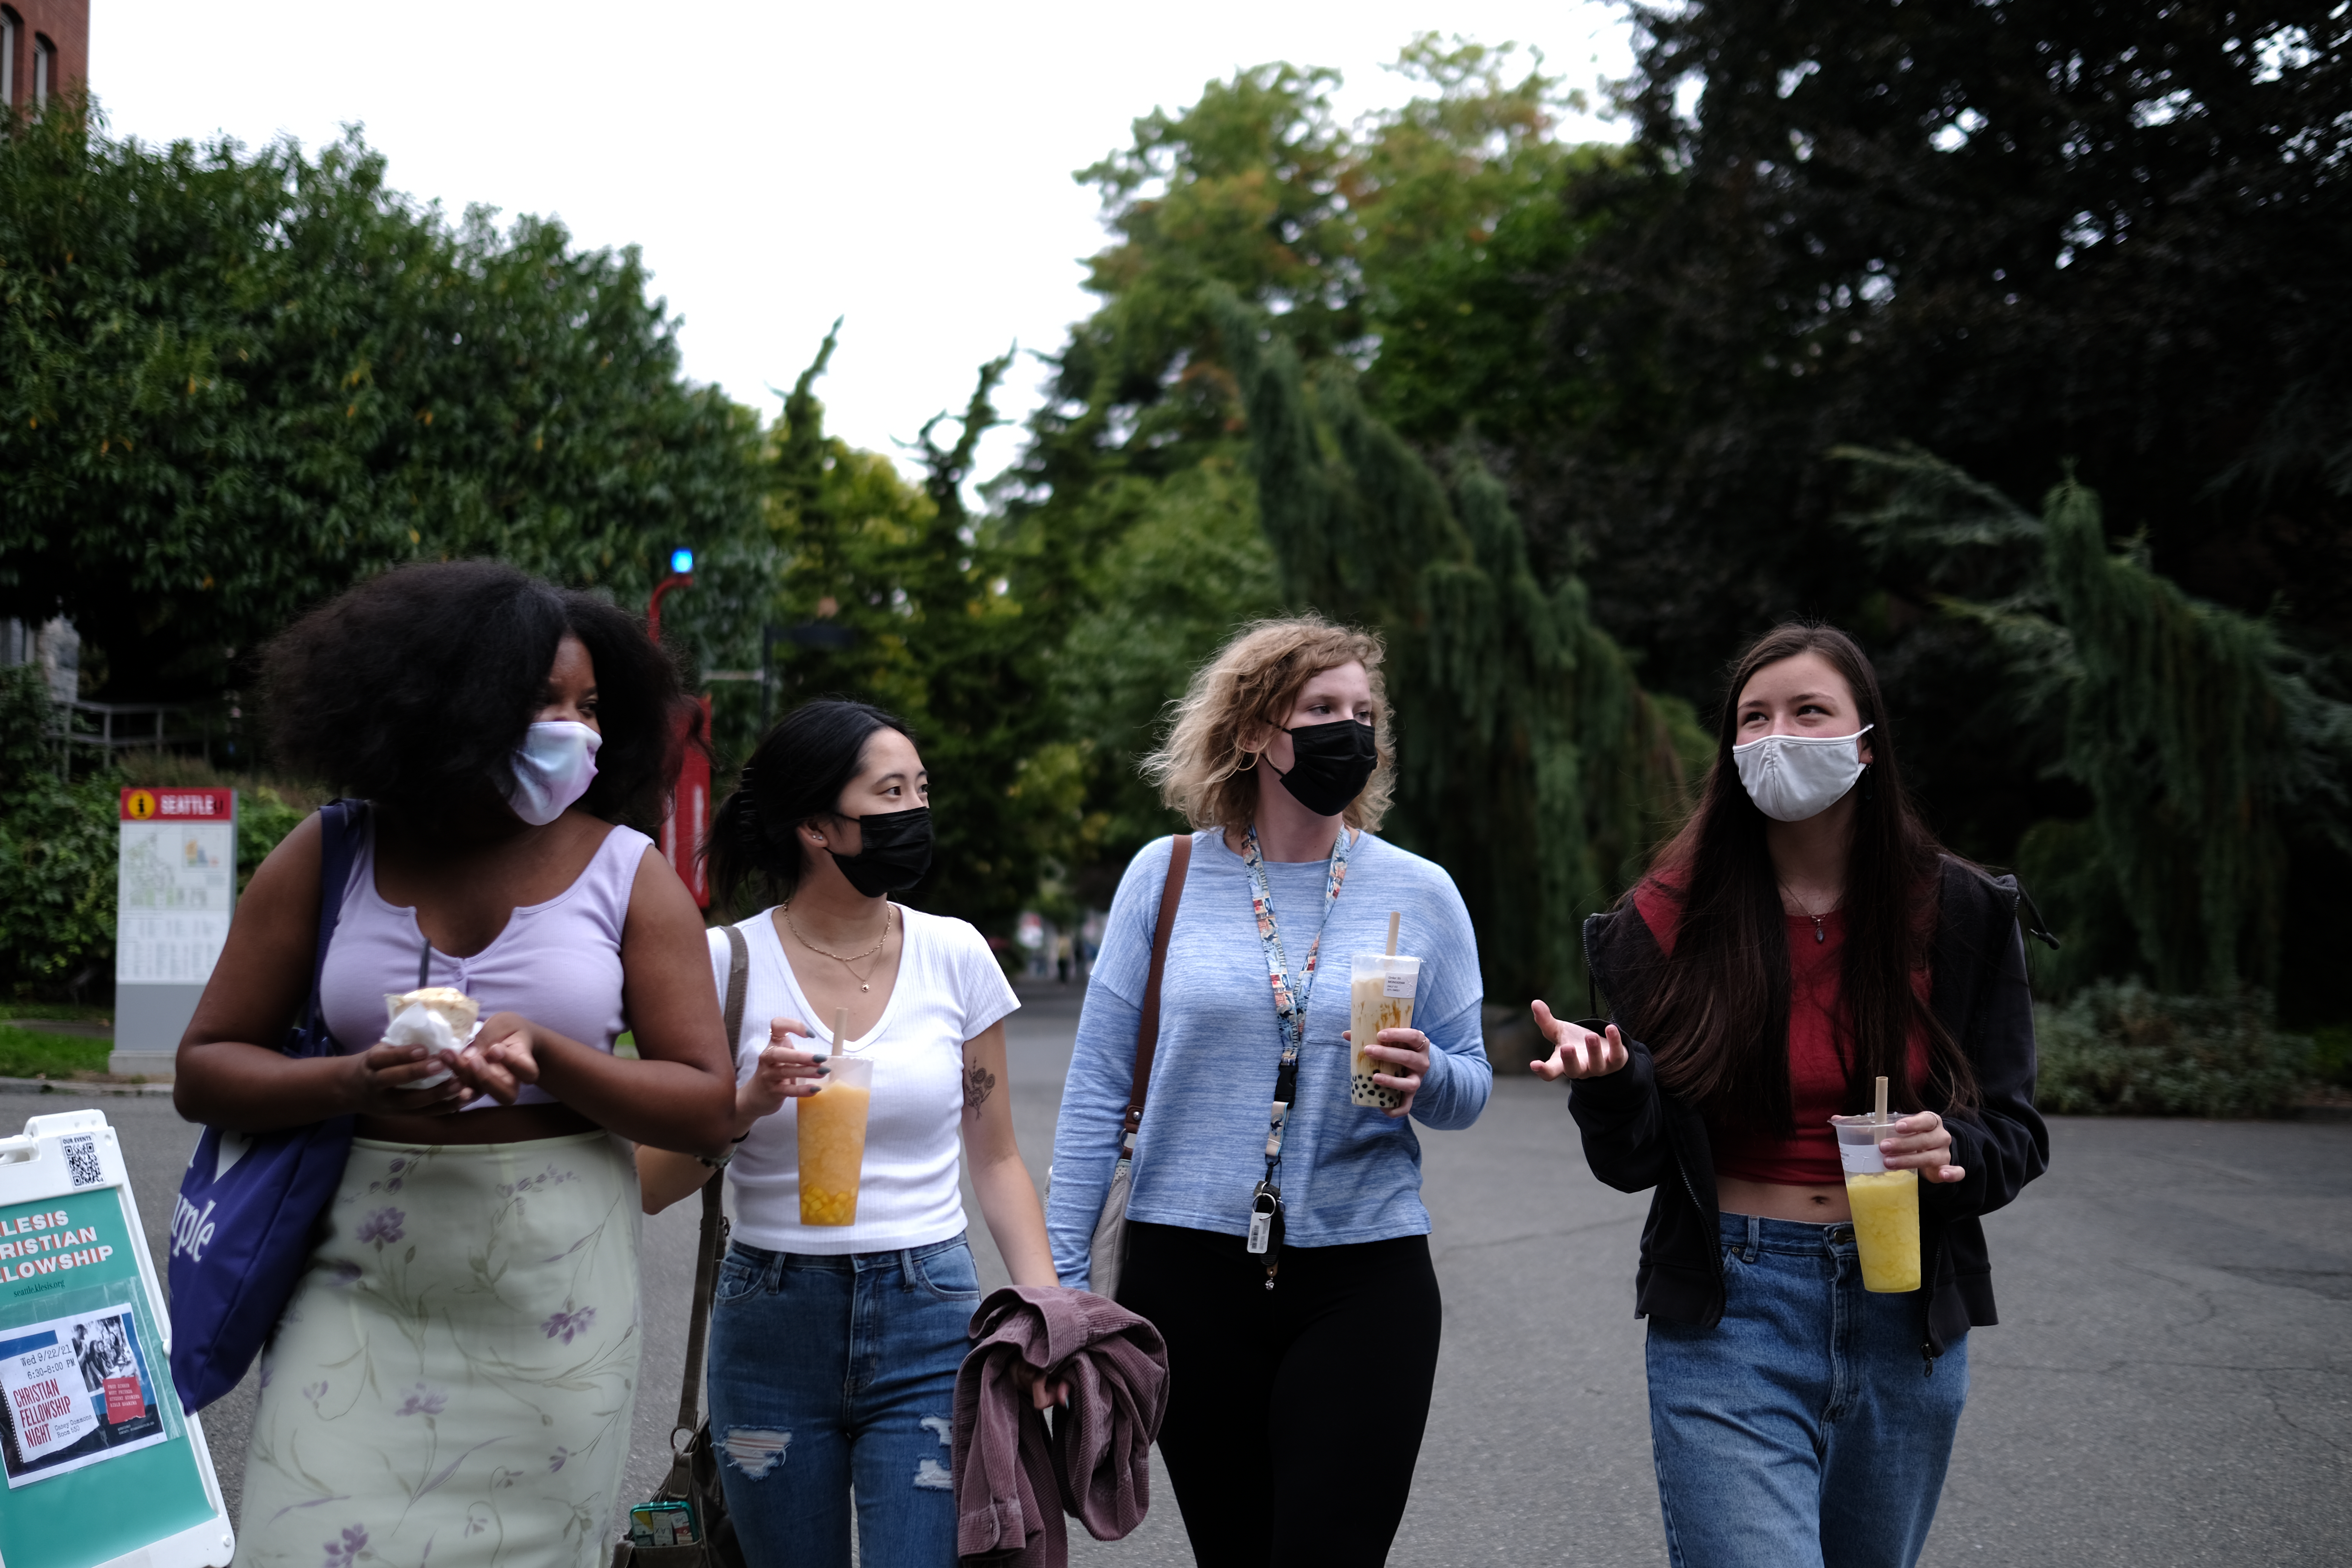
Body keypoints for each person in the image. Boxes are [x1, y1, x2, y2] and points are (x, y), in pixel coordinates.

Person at [176, 562, 736, 1568]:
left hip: (555, 1310)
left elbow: (704, 1106)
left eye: (592, 707)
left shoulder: (628, 874)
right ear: (450, 707)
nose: (580, 730)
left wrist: (553, 1056)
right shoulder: (334, 852)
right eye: (544, 703)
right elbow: (204, 1070)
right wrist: (351, 1080)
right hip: (356, 1292)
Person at [1531, 623, 2048, 1568]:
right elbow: (1635, 1161)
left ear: (1866, 741)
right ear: (1730, 752)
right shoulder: (1662, 922)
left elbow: (2017, 1131)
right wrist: (1609, 1088)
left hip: (1905, 1304)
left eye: (1809, 710)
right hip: (1734, 1304)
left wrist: (1953, 1148)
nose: (1778, 734)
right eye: (1754, 717)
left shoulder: (1964, 910)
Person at [1046, 615, 1491, 1565]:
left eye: (1364, 712)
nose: (1351, 731)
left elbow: (1471, 1083)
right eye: (1322, 708)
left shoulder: (1422, 890)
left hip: (1365, 1272)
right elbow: (1093, 1094)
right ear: (1254, 732)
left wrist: (1430, 1077)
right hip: (1186, 1272)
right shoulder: (1161, 879)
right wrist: (1063, 1285)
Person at [637, 699, 1061, 1568]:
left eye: (921, 789)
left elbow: (1000, 1155)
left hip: (928, 1311)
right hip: (770, 1320)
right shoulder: (724, 966)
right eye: (891, 791)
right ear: (818, 826)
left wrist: (1045, 1309)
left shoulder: (957, 955)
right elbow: (649, 1182)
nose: (916, 812)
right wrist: (745, 1103)